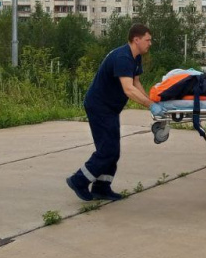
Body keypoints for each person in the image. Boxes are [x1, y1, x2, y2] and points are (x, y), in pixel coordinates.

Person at [66, 23, 156, 202]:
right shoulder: (123, 57)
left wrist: (151, 102)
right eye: (148, 39)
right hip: (99, 106)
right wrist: (150, 105)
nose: (150, 43)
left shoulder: (135, 57)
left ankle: (101, 187)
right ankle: (79, 180)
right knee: (108, 150)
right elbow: (128, 89)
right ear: (136, 39)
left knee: (112, 151)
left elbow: (136, 82)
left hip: (110, 108)